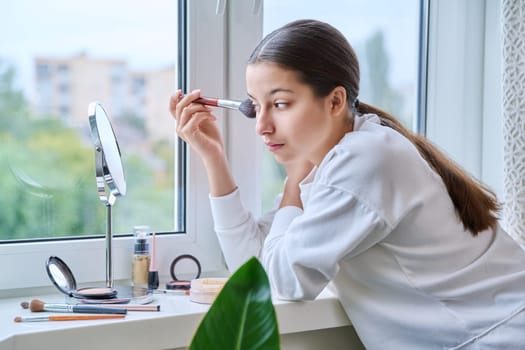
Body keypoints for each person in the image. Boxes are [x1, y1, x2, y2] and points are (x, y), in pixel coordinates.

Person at [170, 19, 525, 349]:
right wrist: (214, 159)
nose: (261, 125)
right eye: (255, 106)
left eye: (279, 104)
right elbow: (254, 268)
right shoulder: (339, 160)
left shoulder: (364, 160)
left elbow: (284, 281)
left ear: (336, 100)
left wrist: (294, 180)